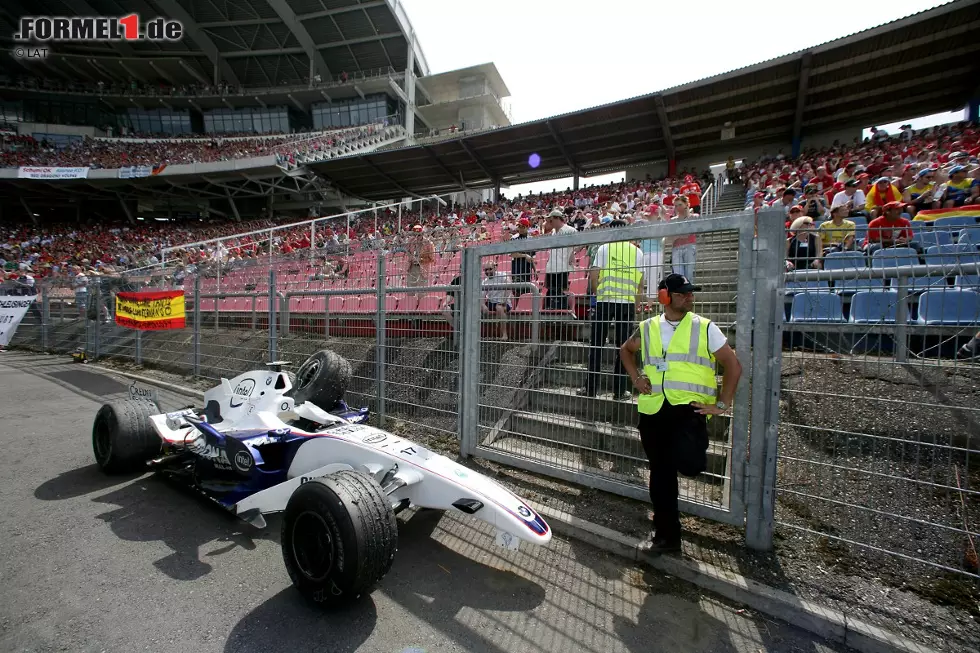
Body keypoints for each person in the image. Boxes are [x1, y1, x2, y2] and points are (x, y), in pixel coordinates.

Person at [619, 274, 742, 552]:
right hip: (654, 410)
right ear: (665, 297)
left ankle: (667, 521)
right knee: (661, 474)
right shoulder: (647, 327)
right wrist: (636, 378)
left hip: (688, 411)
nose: (690, 297)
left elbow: (733, 366)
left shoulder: (705, 328)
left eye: (690, 293)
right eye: (683, 293)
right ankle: (666, 535)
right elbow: (625, 351)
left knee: (690, 464)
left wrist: (722, 404)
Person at [578, 220, 644, 399]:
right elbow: (640, 284)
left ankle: (591, 389)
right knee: (623, 348)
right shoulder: (637, 252)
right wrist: (637, 304)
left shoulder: (604, 248)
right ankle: (620, 390)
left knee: (597, 345)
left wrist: (596, 292)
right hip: (627, 303)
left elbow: (594, 274)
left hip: (605, 301)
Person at [543, 208, 576, 310]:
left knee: (558, 290)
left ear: (557, 218)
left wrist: (573, 253)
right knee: (552, 290)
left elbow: (581, 242)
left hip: (562, 266)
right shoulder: (553, 232)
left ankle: (561, 308)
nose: (549, 222)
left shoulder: (570, 230)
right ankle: (554, 309)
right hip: (552, 266)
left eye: (551, 220)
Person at [481, 260, 511, 340]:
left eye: (490, 269)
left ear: (495, 268)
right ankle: (482, 334)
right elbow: (481, 297)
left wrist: (502, 301)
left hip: (504, 302)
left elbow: (509, 288)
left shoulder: (503, 275)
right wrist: (483, 305)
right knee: (478, 308)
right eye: (486, 270)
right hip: (492, 302)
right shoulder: (485, 282)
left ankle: (504, 334)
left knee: (499, 308)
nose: (488, 271)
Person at [670, 196, 697, 282]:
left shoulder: (694, 217)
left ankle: (688, 294)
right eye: (676, 206)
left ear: (686, 204)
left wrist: (677, 235)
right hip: (676, 248)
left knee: (689, 274)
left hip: (689, 246)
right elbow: (670, 237)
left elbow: (689, 233)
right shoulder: (673, 220)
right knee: (678, 276)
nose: (678, 208)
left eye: (680, 205)